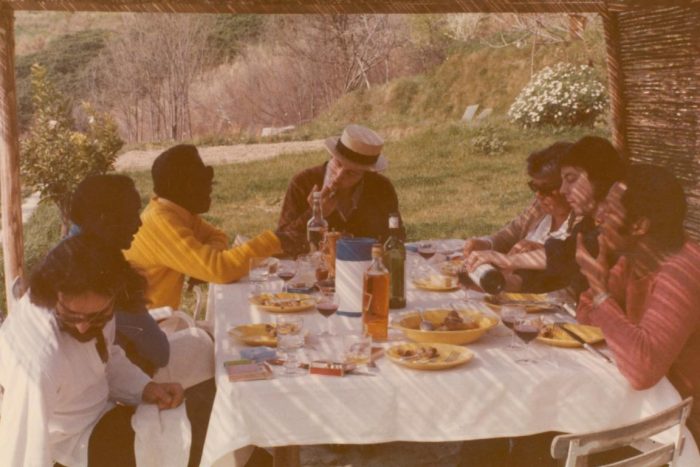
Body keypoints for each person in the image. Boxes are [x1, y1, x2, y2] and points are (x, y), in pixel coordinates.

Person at [0, 234, 189, 466]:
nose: (82, 327)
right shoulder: (38, 360)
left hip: (102, 415)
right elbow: (23, 452)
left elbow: (105, 357)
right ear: (52, 297)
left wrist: (144, 387)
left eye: (97, 316)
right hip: (69, 446)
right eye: (71, 316)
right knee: (185, 444)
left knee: (194, 416)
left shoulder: (97, 301)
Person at [575, 164, 700, 445]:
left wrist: (599, 291)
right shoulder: (635, 260)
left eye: (609, 208)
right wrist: (600, 294)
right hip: (650, 411)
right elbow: (585, 316)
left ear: (639, 225)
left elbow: (642, 369)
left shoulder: (682, 273)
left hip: (684, 432)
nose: (599, 216)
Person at [124, 144, 288, 310]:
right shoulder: (162, 221)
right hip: (151, 326)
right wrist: (275, 240)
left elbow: (218, 236)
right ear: (186, 187)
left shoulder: (176, 211)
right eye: (202, 181)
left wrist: (203, 263)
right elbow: (220, 270)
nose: (210, 188)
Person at [467, 136, 625, 295]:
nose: (563, 190)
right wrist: (506, 283)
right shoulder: (589, 222)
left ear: (599, 176)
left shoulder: (616, 226)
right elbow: (559, 270)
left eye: (571, 179)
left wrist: (507, 260)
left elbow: (565, 255)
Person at [70, 174, 169, 375]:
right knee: (204, 348)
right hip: (112, 383)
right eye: (132, 214)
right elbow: (160, 353)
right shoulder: (101, 273)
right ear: (104, 220)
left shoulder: (68, 251)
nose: (140, 224)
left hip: (102, 372)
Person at [277, 124, 404, 256]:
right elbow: (280, 242)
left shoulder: (381, 187)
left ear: (365, 173)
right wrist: (314, 215)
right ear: (332, 156)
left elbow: (396, 236)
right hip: (314, 271)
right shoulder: (303, 182)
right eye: (337, 164)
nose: (338, 176)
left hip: (365, 269)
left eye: (351, 173)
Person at [463, 142, 575, 291]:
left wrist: (536, 252)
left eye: (545, 188)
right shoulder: (540, 206)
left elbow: (568, 258)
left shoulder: (581, 221)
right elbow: (511, 233)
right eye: (534, 187)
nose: (538, 195)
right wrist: (486, 244)